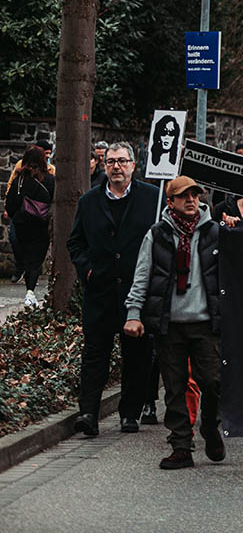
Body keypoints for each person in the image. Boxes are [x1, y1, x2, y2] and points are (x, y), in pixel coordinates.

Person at [121, 176, 224, 470]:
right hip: (170, 324)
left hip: (206, 323)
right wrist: (133, 314)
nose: (191, 200)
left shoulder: (216, 233)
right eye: (184, 196)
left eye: (195, 195)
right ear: (171, 202)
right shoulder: (157, 234)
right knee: (175, 387)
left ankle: (210, 427)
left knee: (213, 381)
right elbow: (142, 276)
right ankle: (181, 445)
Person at [68, 142, 158, 437]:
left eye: (122, 161)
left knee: (137, 356)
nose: (116, 167)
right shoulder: (89, 201)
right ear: (103, 165)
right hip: (101, 292)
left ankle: (129, 414)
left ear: (133, 165)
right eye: (110, 162)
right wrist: (87, 269)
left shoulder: (151, 199)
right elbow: (75, 242)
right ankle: (88, 413)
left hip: (136, 293)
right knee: (95, 353)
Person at [4, 145, 55, 304]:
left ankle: (29, 290)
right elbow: (54, 203)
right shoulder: (50, 180)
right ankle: (30, 291)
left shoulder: (19, 180)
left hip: (22, 226)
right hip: (41, 226)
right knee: (36, 260)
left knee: (27, 258)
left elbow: (9, 205)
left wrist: (18, 217)